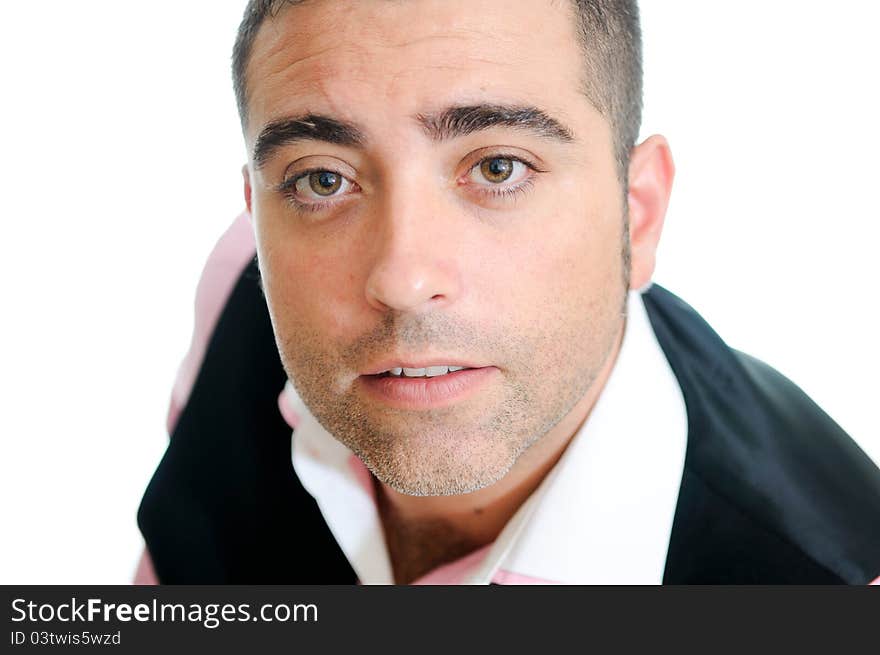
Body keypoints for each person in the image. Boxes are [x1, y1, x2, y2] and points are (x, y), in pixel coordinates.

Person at [136, 0, 880, 585]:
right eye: (322, 179)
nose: (403, 278)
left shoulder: (830, 579)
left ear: (637, 213)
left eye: (498, 167)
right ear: (257, 211)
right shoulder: (243, 280)